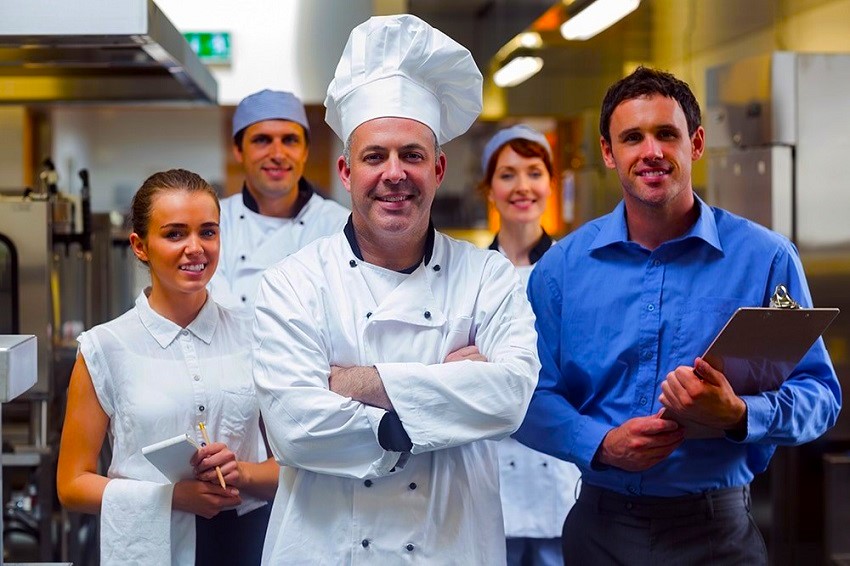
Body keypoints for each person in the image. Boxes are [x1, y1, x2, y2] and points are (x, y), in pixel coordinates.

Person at [513, 66, 841, 565]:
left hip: (717, 535)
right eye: (632, 137)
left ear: (697, 143)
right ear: (608, 152)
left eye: (667, 133)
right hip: (600, 530)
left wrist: (739, 414)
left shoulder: (767, 259)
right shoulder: (562, 269)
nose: (651, 152)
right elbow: (525, 394)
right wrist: (600, 443)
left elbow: (820, 397)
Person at [252, 14, 540, 565]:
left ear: (438, 168)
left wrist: (355, 383)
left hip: (450, 547)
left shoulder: (488, 276)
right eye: (374, 156)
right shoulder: (293, 283)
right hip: (325, 550)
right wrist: (448, 389)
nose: (394, 173)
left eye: (411, 155)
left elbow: (509, 399)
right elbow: (293, 428)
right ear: (344, 169)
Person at [57, 169, 278, 565]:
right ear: (140, 246)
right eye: (175, 234)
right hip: (148, 546)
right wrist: (172, 497)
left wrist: (242, 473)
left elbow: (292, 468)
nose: (196, 248)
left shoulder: (255, 337)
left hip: (246, 543)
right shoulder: (105, 347)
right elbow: (71, 484)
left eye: (208, 232)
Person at [478, 124, 581, 566]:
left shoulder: (577, 270)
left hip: (555, 467)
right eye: (507, 174)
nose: (522, 186)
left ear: (551, 184)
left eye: (534, 173)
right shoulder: (470, 274)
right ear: (489, 188)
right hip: (491, 468)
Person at [209, 89, 348, 313]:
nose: (278, 154)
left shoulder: (339, 227)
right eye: (262, 140)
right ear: (238, 150)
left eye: (290, 140)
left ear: (305, 151)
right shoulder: (213, 225)